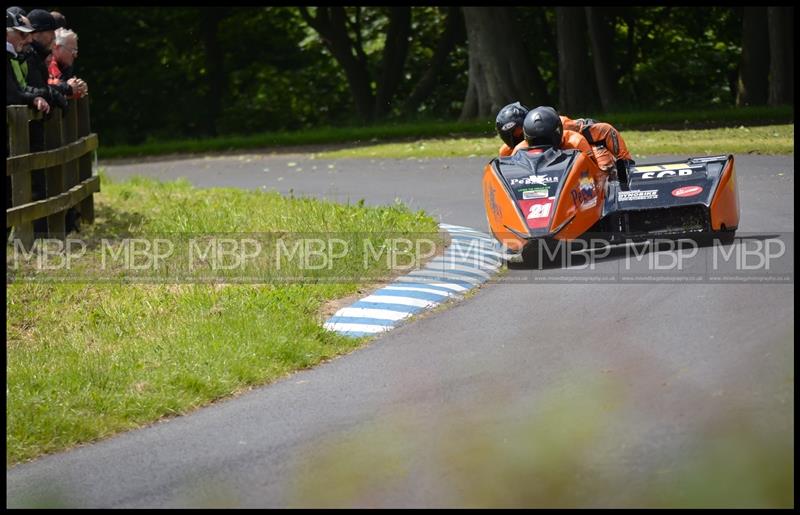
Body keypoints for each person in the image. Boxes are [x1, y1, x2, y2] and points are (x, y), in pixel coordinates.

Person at [495, 101, 635, 179]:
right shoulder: (509, 151)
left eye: (520, 134)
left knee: (604, 165)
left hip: (582, 150)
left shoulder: (560, 126)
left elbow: (604, 131)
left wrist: (626, 161)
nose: (518, 139)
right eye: (513, 137)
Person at [6, 10, 49, 112]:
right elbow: (12, 96)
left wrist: (34, 98)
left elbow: (16, 91)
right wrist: (34, 98)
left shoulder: (10, 57)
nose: (29, 40)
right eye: (22, 34)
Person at [48, 27, 87, 98]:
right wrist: (68, 87)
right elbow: (45, 87)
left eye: (76, 51)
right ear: (57, 47)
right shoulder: (46, 63)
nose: (75, 55)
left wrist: (78, 88)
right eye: (72, 50)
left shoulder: (65, 67)